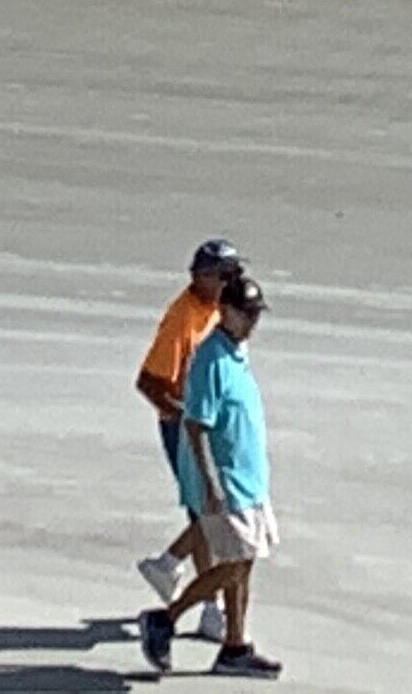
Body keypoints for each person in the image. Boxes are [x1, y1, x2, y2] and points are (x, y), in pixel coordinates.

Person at [140, 273, 278, 678]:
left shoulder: (236, 350)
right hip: (226, 482)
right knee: (234, 564)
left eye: (255, 314)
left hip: (249, 479)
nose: (252, 321)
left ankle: (234, 647)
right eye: (245, 313)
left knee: (244, 562)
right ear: (224, 312)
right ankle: (165, 619)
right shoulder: (211, 359)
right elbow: (196, 425)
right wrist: (211, 484)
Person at [134, 239, 244, 635]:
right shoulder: (182, 318)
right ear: (202, 277)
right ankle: (207, 603)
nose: (234, 281)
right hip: (182, 427)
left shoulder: (218, 308)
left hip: (207, 424)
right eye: (226, 275)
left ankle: (172, 568)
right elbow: (147, 382)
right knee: (209, 512)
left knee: (212, 511)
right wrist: (188, 419)